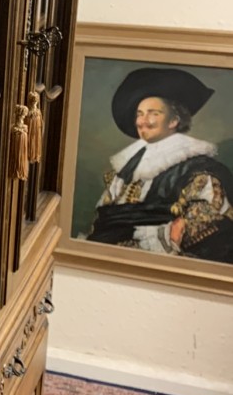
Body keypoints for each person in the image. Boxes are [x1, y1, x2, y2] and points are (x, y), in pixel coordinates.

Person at [87, 67, 233, 262]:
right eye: (139, 114)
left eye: (153, 113)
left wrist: (159, 238)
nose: (142, 121)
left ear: (174, 120)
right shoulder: (125, 169)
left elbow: (209, 219)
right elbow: (102, 219)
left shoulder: (198, 168)